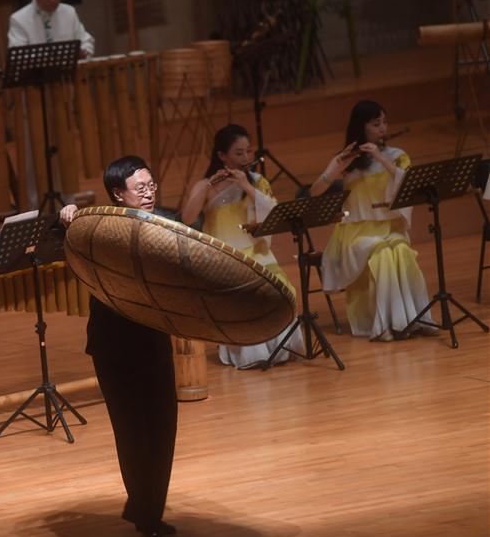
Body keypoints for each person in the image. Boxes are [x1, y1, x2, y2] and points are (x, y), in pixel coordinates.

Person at [60, 156, 176, 537]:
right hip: (115, 347)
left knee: (162, 430)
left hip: (154, 340)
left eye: (151, 184)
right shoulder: (99, 230)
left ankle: (149, 509)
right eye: (139, 188)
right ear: (117, 194)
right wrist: (68, 217)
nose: (148, 193)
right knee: (132, 434)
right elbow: (56, 243)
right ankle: (148, 518)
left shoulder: (165, 223)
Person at [180, 124, 303, 369]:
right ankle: (251, 354)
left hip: (258, 254)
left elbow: (273, 214)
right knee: (243, 294)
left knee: (279, 289)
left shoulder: (258, 182)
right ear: (222, 156)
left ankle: (280, 348)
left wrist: (247, 186)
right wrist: (206, 187)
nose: (246, 158)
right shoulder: (206, 185)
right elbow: (187, 218)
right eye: (239, 153)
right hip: (225, 258)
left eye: (248, 152)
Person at [310, 100, 434, 341]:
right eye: (376, 124)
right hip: (356, 233)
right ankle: (385, 324)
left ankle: (413, 319)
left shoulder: (398, 156)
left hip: (390, 228)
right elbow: (315, 191)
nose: (383, 129)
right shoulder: (347, 160)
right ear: (361, 127)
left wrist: (381, 159)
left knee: (400, 250)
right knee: (383, 253)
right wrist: (337, 165)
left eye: (385, 123)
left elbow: (408, 185)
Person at [8, 0, 95, 58]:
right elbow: (17, 56)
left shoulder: (69, 12)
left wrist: (84, 52)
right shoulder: (18, 19)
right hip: (37, 75)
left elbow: (86, 41)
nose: (52, 0)